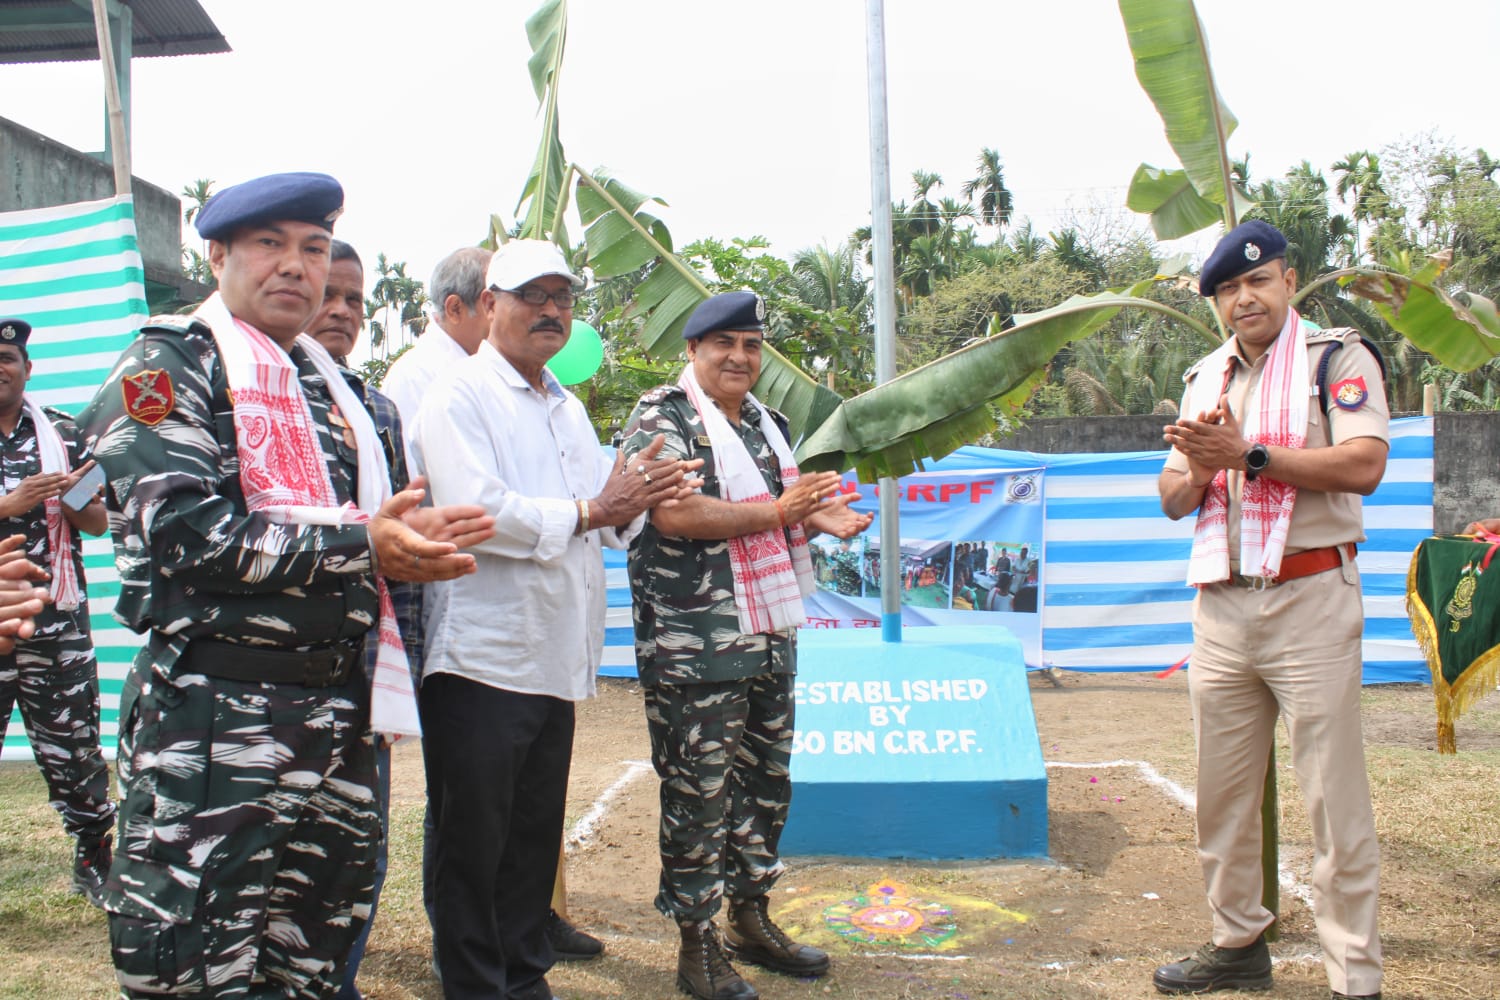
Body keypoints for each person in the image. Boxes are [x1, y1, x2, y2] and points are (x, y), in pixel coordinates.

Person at [79, 172, 494, 999]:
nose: (295, 268)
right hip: (214, 721)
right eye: (270, 244)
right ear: (219, 253)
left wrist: (401, 539)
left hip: (334, 720)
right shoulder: (165, 367)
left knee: (310, 963)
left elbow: (362, 530)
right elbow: (187, 536)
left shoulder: (326, 388)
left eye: (311, 248)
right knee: (193, 967)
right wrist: (364, 544)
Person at [412, 238, 699, 1000]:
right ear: (489, 306)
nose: (549, 311)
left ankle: (523, 973)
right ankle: (475, 983)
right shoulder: (458, 397)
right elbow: (480, 513)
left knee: (531, 836)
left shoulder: (565, 405)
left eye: (561, 298)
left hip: (553, 655)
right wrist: (594, 508)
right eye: (530, 295)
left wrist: (639, 495)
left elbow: (601, 519)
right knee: (474, 841)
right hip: (481, 655)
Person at [1154, 220, 1388, 1000]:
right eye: (1226, 289)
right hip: (1222, 607)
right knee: (1222, 796)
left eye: (1256, 281)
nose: (1242, 298)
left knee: (1332, 798)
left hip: (1311, 598)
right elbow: (1171, 495)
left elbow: (1364, 465)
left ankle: (1353, 974)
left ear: (1289, 282)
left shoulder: (1338, 358)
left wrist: (1248, 454)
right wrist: (1196, 468)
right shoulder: (1205, 378)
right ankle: (1237, 943)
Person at [621, 290, 873, 1000]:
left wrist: (823, 517)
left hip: (768, 631)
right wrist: (782, 511)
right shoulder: (661, 417)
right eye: (724, 343)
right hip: (694, 642)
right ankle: (696, 944)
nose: (740, 357)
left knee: (764, 781)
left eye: (752, 345)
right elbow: (675, 513)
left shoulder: (771, 424)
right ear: (694, 350)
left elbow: (779, 515)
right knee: (698, 794)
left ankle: (749, 917)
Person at [305, 239, 425, 1000]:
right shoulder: (241, 392)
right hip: (270, 681)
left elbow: (401, 549)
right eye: (331, 295)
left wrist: (399, 664)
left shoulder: (375, 408)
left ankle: (339, 981)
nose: (344, 311)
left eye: (355, 299)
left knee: (356, 849)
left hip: (361, 667)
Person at [0, 317, 115, 907]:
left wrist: (74, 501)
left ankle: (95, 856)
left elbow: (98, 523)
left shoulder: (65, 434)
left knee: (75, 750)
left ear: (26, 369)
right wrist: (11, 502)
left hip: (57, 623)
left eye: (7, 357)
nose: (0, 366)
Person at [381, 245, 493, 452]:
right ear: (455, 309)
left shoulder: (490, 370)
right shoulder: (415, 376)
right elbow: (417, 475)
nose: (503, 316)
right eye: (491, 305)